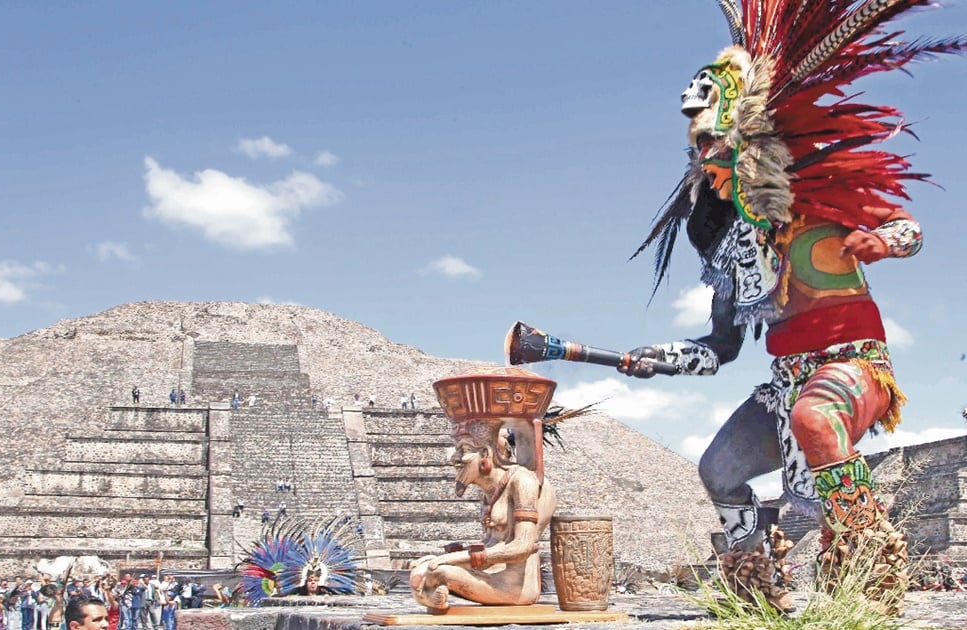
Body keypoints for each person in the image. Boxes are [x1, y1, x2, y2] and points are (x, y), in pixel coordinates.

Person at [619, 0, 965, 614]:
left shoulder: (823, 193)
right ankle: (755, 586)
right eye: (699, 149)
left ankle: (866, 569)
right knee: (719, 470)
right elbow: (720, 348)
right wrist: (660, 358)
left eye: (716, 145)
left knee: (814, 420)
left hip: (853, 367)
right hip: (785, 385)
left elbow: (909, 227)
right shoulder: (731, 250)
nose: (706, 163)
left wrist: (882, 241)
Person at [409, 417, 555, 611]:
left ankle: (434, 593)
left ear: (485, 453)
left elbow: (522, 547)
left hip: (513, 586)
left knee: (436, 572)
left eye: (464, 450)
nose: (454, 459)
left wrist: (457, 559)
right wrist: (459, 554)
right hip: (489, 573)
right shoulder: (489, 491)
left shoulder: (522, 482)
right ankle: (433, 594)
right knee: (421, 568)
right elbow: (492, 543)